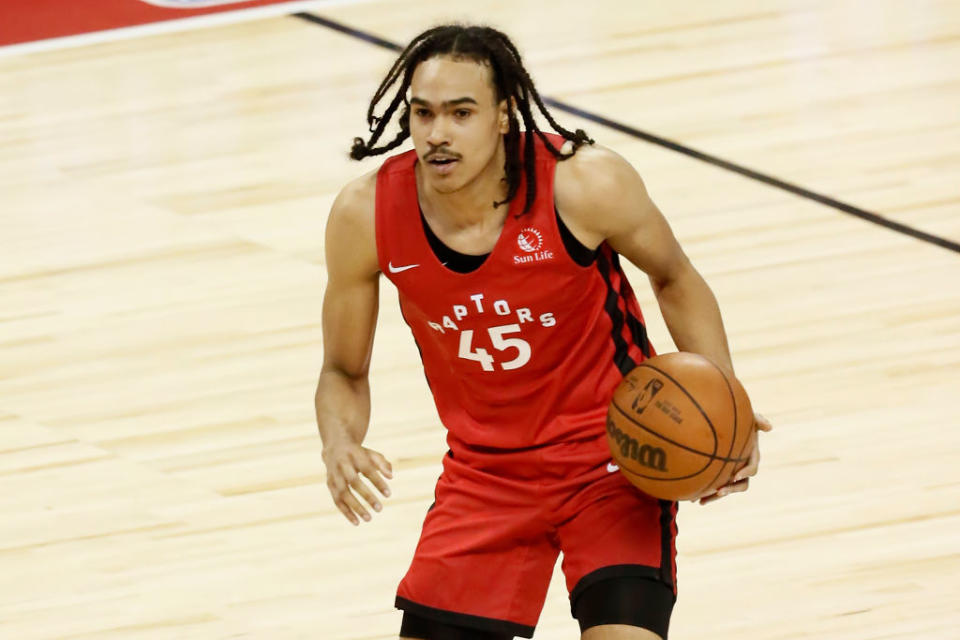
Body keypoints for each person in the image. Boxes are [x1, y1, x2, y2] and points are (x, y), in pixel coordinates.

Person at [315, 24, 772, 640]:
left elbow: (675, 278)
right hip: (484, 479)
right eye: (422, 113)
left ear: (503, 115)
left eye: (460, 112)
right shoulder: (364, 214)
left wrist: (728, 404)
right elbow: (343, 370)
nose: (437, 133)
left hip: (612, 464)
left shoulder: (584, 183)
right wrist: (341, 442)